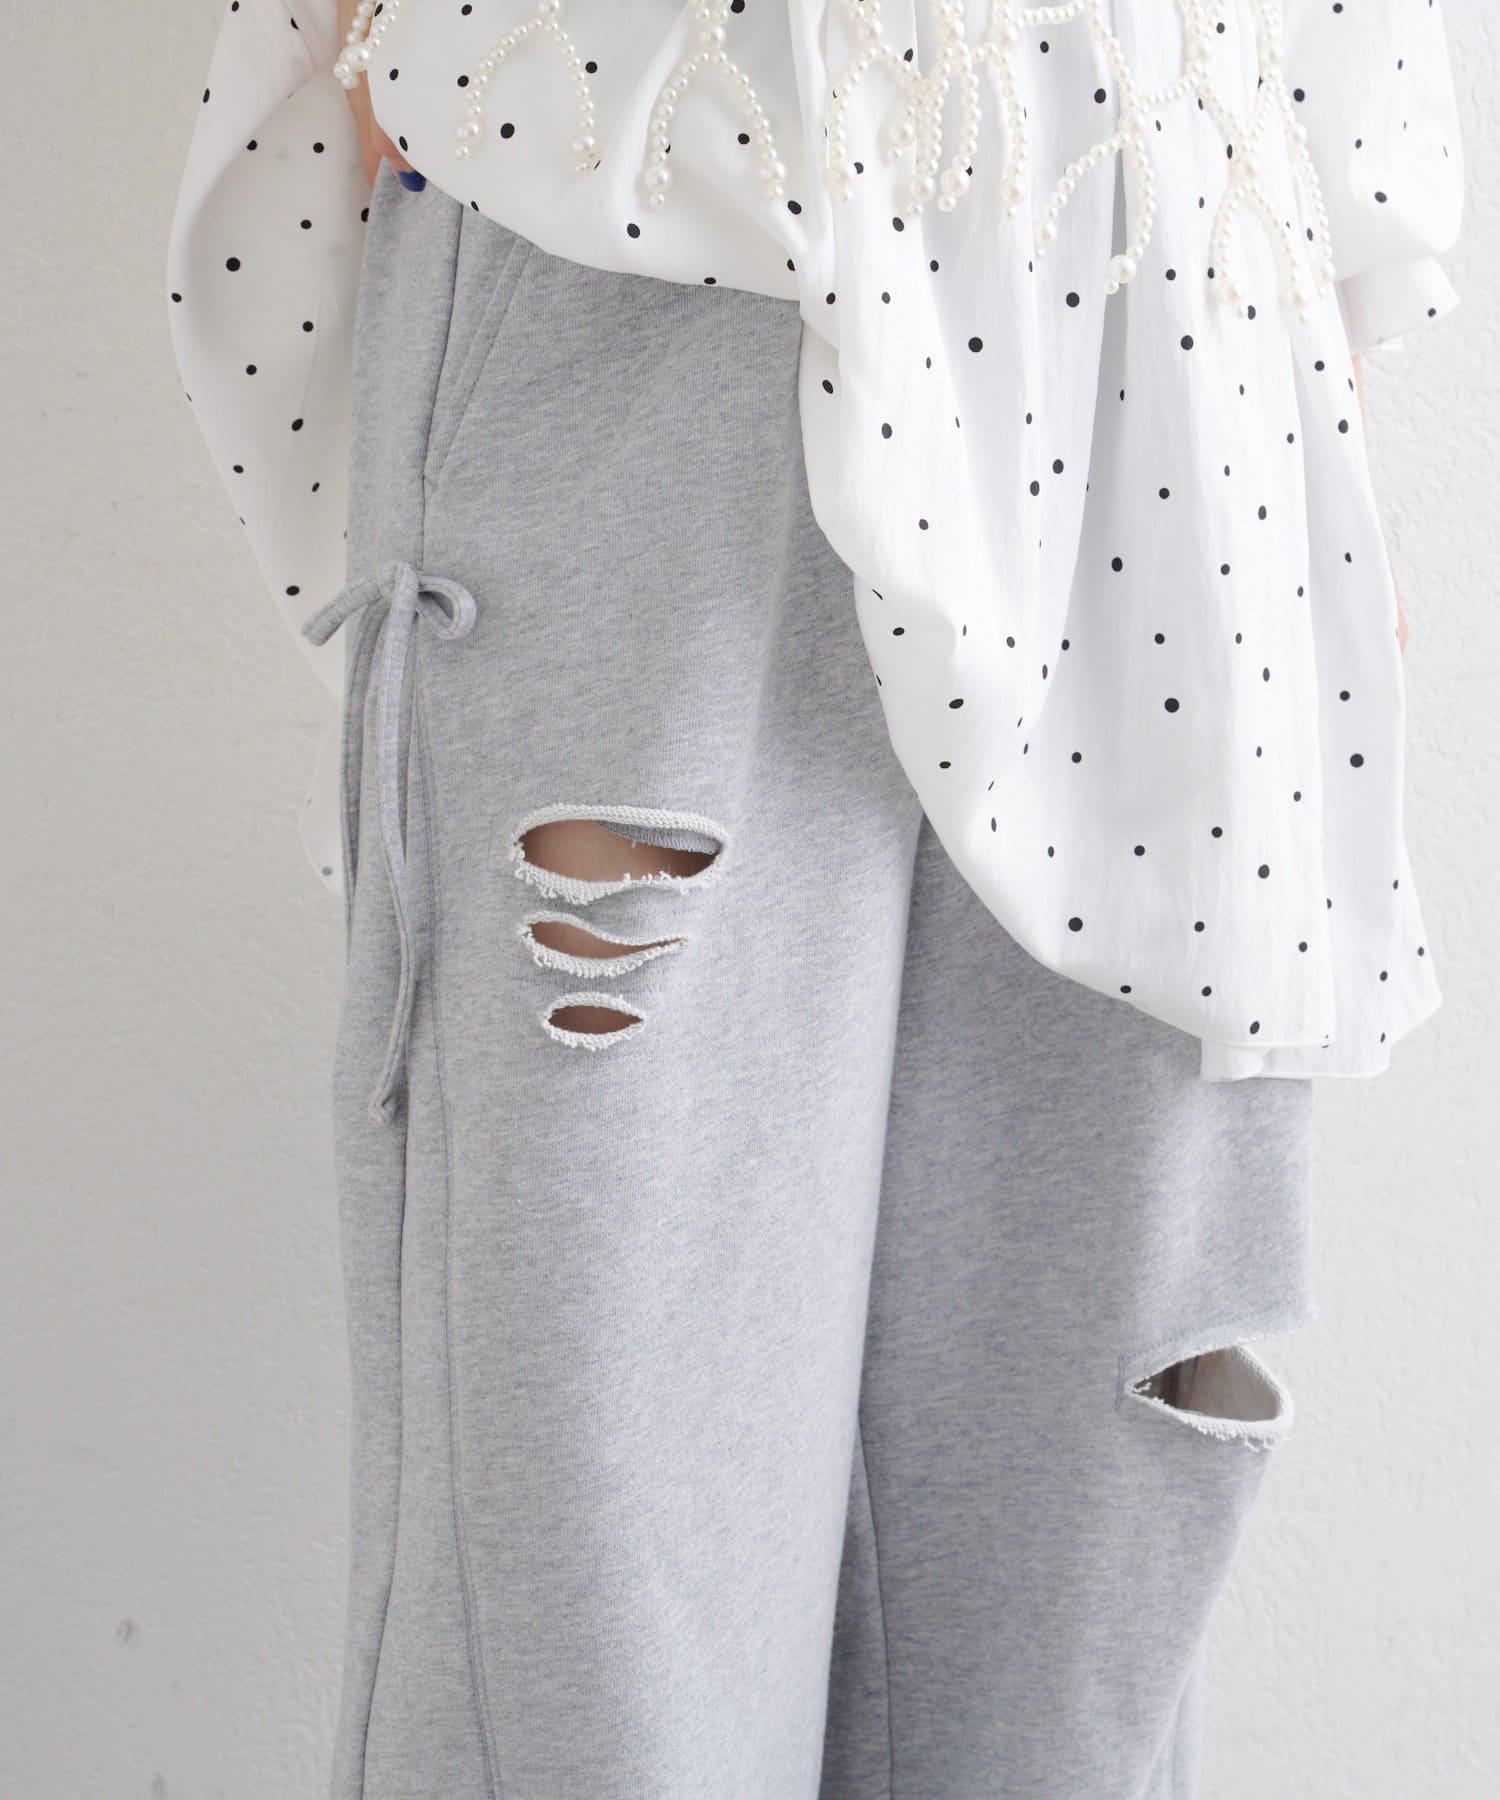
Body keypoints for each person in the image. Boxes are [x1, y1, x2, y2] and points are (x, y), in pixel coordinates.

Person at [168, 3, 1463, 1794]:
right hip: (645, 175)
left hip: (1177, 288)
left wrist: (1333, 333)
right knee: (597, 1539)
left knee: (1075, 1535)